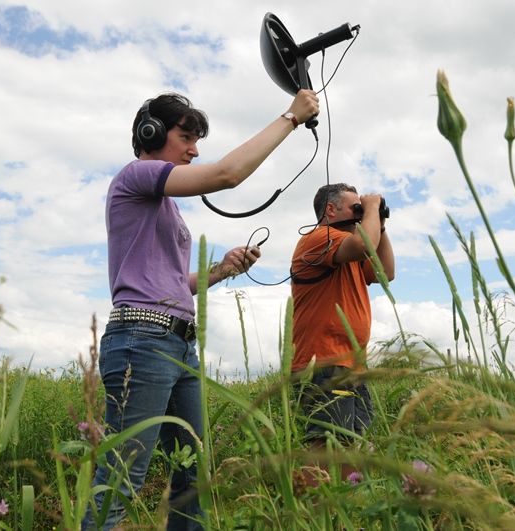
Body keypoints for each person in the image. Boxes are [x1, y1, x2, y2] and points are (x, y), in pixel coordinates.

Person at [82, 89, 319, 531]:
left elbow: (171, 283)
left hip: (176, 342)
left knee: (192, 467)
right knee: (122, 475)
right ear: (151, 133)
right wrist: (291, 116)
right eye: (186, 137)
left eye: (197, 140)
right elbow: (228, 175)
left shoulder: (164, 202)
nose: (194, 149)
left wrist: (221, 270)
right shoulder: (136, 175)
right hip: (142, 340)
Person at [289, 183, 395, 485]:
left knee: (350, 447)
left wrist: (381, 226)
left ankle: (344, 513)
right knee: (324, 449)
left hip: (350, 365)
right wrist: (371, 209)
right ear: (330, 209)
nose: (361, 214)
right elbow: (364, 246)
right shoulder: (319, 239)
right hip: (322, 362)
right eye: (355, 208)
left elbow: (386, 273)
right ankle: (309, 515)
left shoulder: (350, 246)